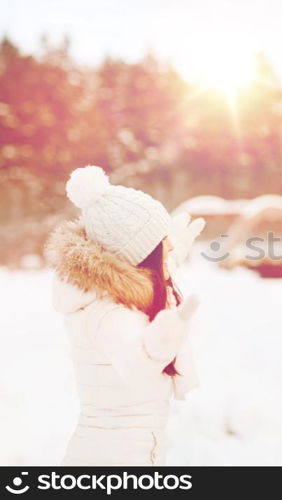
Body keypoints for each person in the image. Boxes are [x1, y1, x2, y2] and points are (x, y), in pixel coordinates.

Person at [45, 166, 205, 465]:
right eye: (163, 242)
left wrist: (173, 253)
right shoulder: (110, 314)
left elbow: (146, 278)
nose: (170, 247)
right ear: (141, 255)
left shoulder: (113, 295)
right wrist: (162, 340)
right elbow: (140, 368)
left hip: (123, 450)